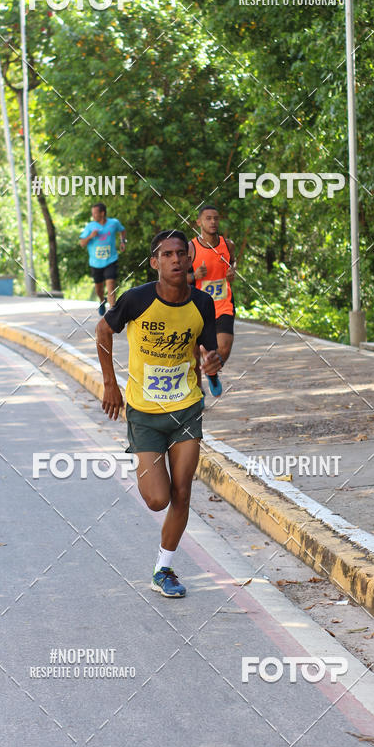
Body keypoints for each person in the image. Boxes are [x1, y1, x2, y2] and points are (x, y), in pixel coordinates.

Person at [95, 229, 222, 598]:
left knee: (182, 493)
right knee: (158, 499)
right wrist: (110, 384)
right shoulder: (136, 300)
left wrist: (212, 364)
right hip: (145, 413)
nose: (176, 260)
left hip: (186, 408)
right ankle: (143, 462)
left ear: (189, 258)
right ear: (155, 262)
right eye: (167, 254)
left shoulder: (202, 303)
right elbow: (104, 329)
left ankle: (163, 570)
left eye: (181, 253)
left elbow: (208, 355)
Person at [187, 205, 236, 398]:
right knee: (194, 354)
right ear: (199, 222)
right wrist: (193, 275)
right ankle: (198, 393)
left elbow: (233, 261)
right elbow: (177, 277)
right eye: (208, 218)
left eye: (216, 218)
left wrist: (233, 271)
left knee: (223, 348)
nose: (213, 222)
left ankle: (213, 373)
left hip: (224, 303)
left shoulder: (227, 244)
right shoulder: (190, 248)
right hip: (197, 308)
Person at [79, 203, 126, 316]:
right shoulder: (90, 226)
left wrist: (123, 241)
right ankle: (101, 300)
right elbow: (82, 243)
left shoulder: (113, 223)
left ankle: (112, 314)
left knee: (111, 286)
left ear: (102, 213)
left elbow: (122, 231)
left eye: (95, 213)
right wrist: (90, 236)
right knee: (99, 290)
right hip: (95, 263)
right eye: (92, 213)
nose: (93, 215)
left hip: (111, 260)